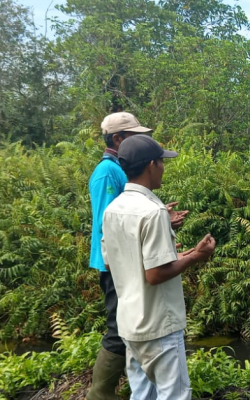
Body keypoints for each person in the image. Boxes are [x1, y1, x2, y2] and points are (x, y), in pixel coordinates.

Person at [102, 134, 216, 400]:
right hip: (158, 324)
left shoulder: (114, 208)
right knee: (173, 394)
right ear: (151, 165)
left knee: (142, 393)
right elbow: (154, 274)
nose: (164, 168)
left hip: (130, 323)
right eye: (162, 163)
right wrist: (195, 257)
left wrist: (180, 254)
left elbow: (113, 260)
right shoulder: (153, 211)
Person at [87, 113, 187, 400]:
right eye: (135, 136)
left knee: (129, 334)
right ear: (118, 139)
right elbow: (115, 222)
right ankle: (100, 394)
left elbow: (127, 220)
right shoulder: (108, 171)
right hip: (119, 263)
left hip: (127, 259)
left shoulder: (122, 175)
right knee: (122, 332)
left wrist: (161, 222)